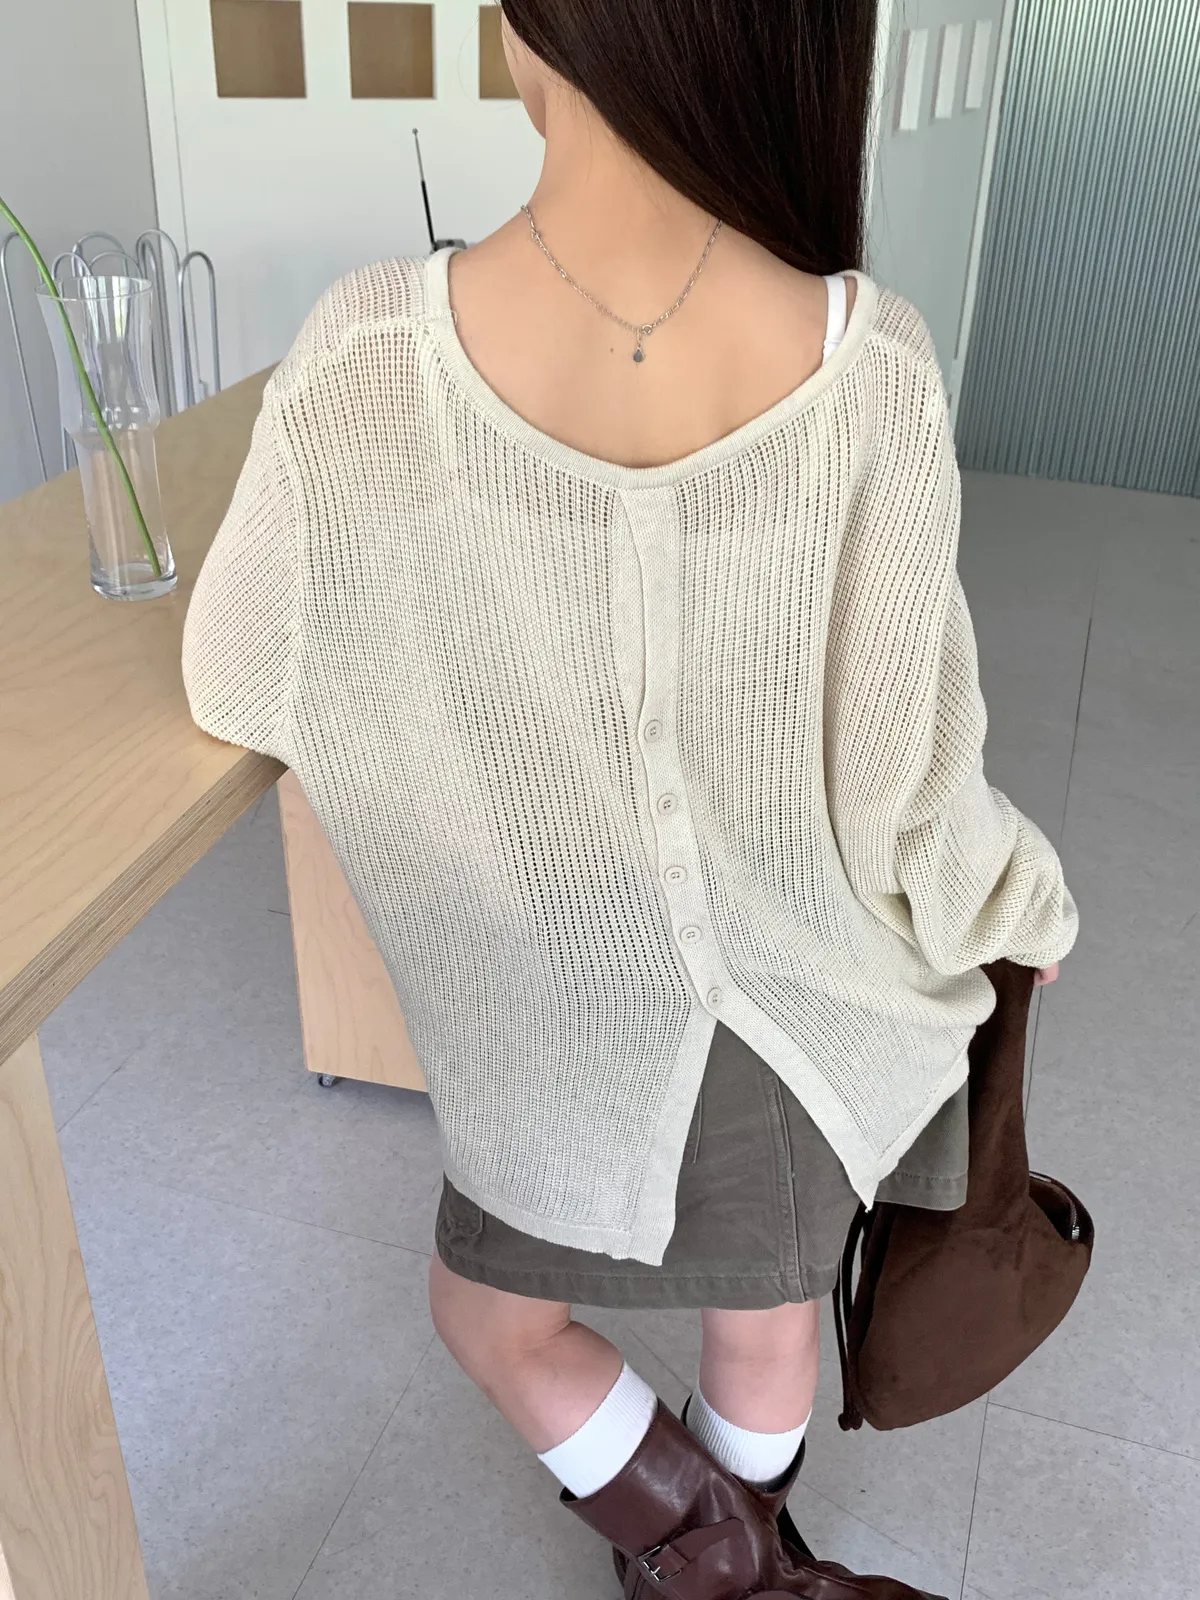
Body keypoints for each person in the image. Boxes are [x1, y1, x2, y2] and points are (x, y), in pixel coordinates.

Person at [182, 2, 1077, 1594]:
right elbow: (911, 792)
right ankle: (745, 1567)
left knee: (490, 1318)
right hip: (810, 1014)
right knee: (766, 1326)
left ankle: (715, 1563)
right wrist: (1024, 910)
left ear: (532, 35)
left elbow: (240, 673)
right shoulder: (869, 358)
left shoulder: (366, 352)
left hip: (553, 1021)